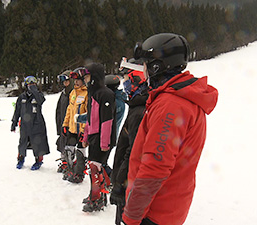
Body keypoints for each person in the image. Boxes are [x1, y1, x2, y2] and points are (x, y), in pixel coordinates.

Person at [121, 33, 218, 225]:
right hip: (168, 207)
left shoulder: (171, 106)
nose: (145, 71)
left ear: (157, 67)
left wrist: (131, 217)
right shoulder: (180, 98)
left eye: (146, 65)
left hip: (154, 212)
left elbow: (155, 168)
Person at [109, 63, 149, 225]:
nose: (124, 84)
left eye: (126, 79)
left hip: (129, 183)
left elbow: (132, 152)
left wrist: (120, 184)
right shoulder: (135, 106)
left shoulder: (139, 111)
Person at [81, 63, 117, 212]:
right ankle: (98, 196)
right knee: (95, 167)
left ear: (95, 77)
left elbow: (107, 121)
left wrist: (104, 142)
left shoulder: (105, 94)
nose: (85, 80)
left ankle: (97, 199)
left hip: (104, 138)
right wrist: (85, 136)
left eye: (87, 77)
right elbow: (90, 119)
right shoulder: (93, 93)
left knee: (95, 168)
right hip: (95, 136)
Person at [11, 76, 50, 170]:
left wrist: (34, 91)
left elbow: (41, 101)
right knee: (23, 143)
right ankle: (20, 159)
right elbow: (17, 111)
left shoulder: (38, 95)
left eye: (33, 84)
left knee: (37, 143)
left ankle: (38, 160)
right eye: (29, 84)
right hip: (25, 124)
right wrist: (14, 123)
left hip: (37, 124)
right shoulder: (22, 97)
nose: (31, 86)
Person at [61, 67, 89, 183]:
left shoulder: (87, 94)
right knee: (69, 149)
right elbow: (69, 109)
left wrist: (84, 131)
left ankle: (79, 173)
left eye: (78, 80)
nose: (76, 82)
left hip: (81, 129)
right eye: (75, 80)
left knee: (80, 152)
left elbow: (87, 113)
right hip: (72, 128)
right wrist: (65, 124)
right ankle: (70, 170)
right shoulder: (73, 92)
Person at [55, 70, 74, 173]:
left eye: (66, 81)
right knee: (62, 144)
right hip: (63, 124)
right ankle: (64, 162)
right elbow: (58, 111)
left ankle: (71, 164)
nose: (65, 84)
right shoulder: (63, 94)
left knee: (70, 145)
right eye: (63, 82)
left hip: (72, 126)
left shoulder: (73, 94)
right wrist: (59, 126)